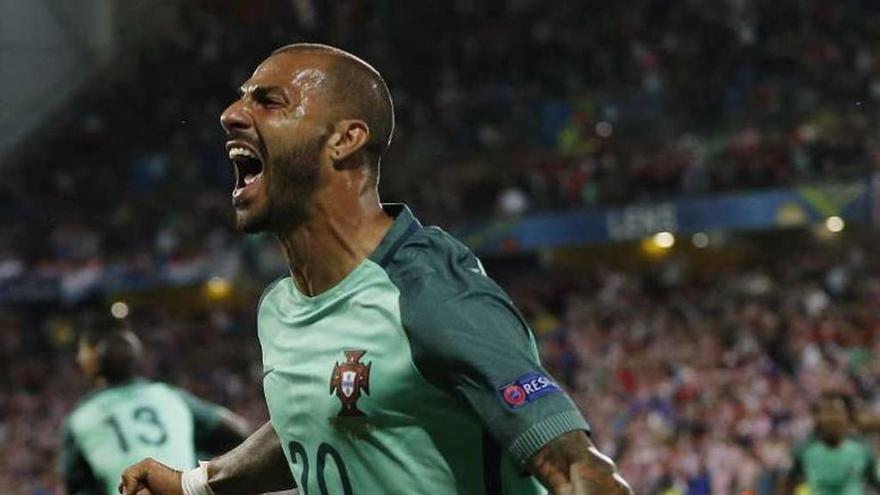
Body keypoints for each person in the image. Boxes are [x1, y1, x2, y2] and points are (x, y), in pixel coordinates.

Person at [120, 43, 631, 495]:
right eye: (241, 96)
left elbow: (575, 468)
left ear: (345, 140)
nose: (232, 113)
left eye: (269, 101)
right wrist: (194, 485)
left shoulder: (429, 293)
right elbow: (326, 415)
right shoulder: (279, 306)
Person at [61, 321, 252, 495]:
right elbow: (240, 430)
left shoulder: (80, 418)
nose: (78, 358)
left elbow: (77, 488)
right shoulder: (171, 396)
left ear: (96, 358)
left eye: (81, 350)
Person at [777, 393, 880, 495]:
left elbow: (874, 481)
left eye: (837, 412)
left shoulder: (862, 449)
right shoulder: (804, 450)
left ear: (847, 417)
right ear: (820, 418)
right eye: (828, 412)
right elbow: (787, 483)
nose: (833, 418)